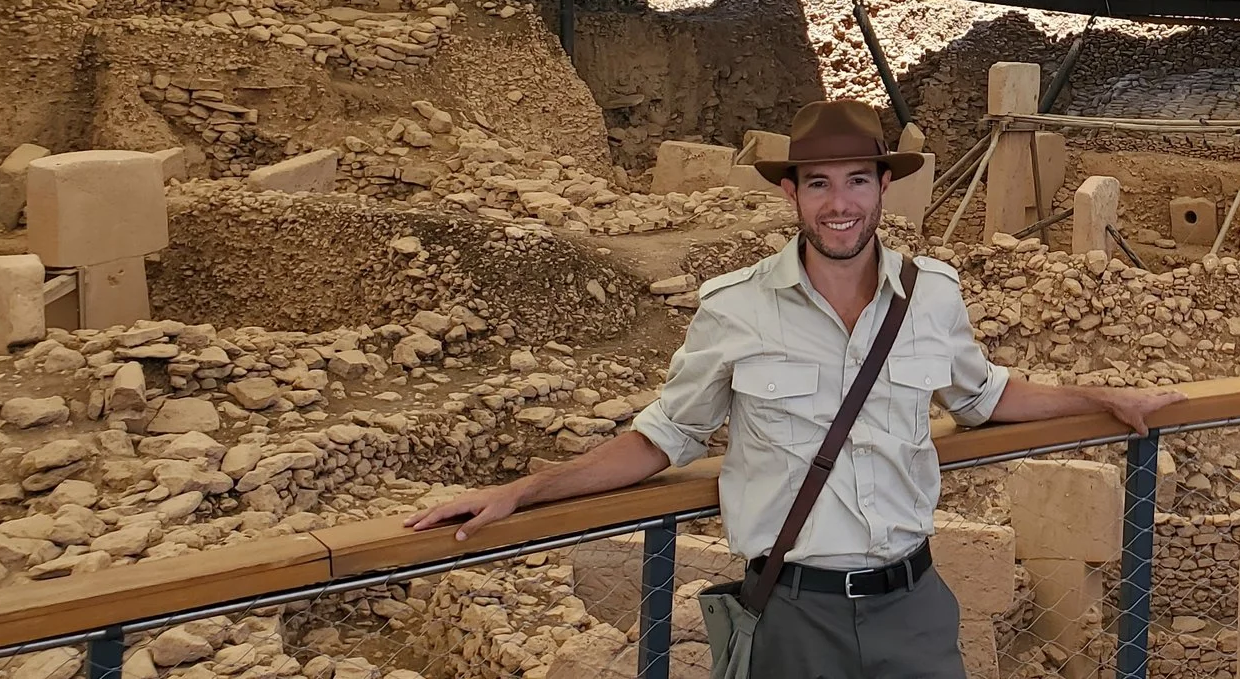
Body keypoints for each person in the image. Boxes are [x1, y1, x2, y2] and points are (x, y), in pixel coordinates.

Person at [406, 100, 1183, 679]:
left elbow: (986, 396)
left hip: (912, 603)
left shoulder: (934, 295)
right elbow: (662, 439)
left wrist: (1104, 396)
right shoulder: (733, 306)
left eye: (855, 181)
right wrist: (524, 489)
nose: (838, 202)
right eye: (818, 184)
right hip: (793, 613)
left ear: (883, 187)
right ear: (793, 195)